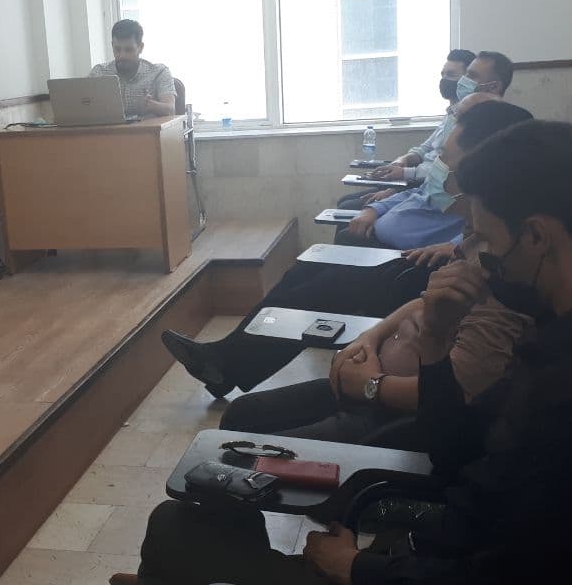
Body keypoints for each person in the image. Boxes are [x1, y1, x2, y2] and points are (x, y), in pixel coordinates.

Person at [113, 120, 572, 585]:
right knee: (198, 515)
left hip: (434, 576)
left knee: (176, 531)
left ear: (536, 236)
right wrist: (435, 341)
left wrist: (359, 569)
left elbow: (508, 579)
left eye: (489, 243)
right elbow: (456, 449)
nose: (482, 262)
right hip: (436, 547)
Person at [162, 101, 533, 397]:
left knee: (324, 289)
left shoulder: (495, 212)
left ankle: (227, 364)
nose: (439, 167)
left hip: (414, 264)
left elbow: (477, 243)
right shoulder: (460, 169)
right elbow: (425, 196)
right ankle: (227, 361)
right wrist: (377, 210)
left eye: (447, 161)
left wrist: (451, 247)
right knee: (303, 272)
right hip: (399, 252)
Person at [215, 260, 532, 444]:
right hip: (362, 388)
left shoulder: (504, 300)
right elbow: (422, 301)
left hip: (392, 416)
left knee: (245, 456)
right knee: (241, 414)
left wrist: (371, 386)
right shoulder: (476, 250)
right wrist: (367, 339)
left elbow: (458, 389)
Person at [337, 50, 476, 210]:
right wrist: (403, 160)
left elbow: (445, 169)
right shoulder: (450, 115)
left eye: (450, 75)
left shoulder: (469, 122)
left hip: (426, 187)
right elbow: (424, 149)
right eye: (442, 75)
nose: (444, 80)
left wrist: (398, 184)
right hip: (413, 180)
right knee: (344, 201)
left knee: (348, 207)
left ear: (466, 81)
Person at [90, 19, 177, 119]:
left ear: (140, 47)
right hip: (109, 129)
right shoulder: (99, 73)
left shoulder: (159, 72)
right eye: (117, 49)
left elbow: (171, 110)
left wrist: (152, 105)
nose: (122, 55)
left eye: (128, 50)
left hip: (148, 128)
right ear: (112, 45)